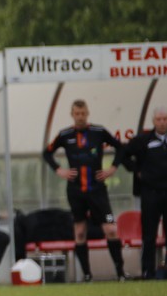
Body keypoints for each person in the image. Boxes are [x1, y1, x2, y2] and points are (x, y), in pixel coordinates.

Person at [41, 100, 128, 281]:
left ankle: (121, 272)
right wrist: (59, 170)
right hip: (75, 191)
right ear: (72, 115)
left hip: (98, 191)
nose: (80, 117)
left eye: (83, 113)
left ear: (87, 113)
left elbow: (120, 147)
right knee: (80, 231)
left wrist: (112, 168)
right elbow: (47, 153)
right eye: (77, 114)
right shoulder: (65, 135)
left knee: (110, 228)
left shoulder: (98, 131)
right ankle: (87, 275)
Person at [121, 108, 167, 278]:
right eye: (159, 119)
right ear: (153, 121)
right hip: (151, 192)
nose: (162, 122)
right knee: (149, 234)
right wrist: (137, 171)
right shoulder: (143, 139)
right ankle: (148, 271)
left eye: (165, 119)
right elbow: (123, 154)